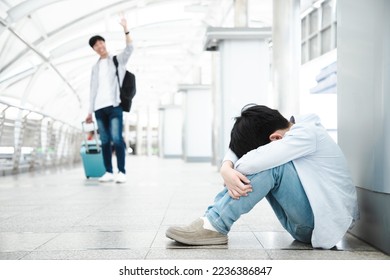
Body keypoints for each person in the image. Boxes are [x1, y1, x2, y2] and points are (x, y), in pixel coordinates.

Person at [166, 104, 359, 249]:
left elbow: (251, 163)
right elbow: (236, 152)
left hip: (322, 224)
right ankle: (212, 220)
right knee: (266, 161)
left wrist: (230, 170)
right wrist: (226, 167)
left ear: (275, 138)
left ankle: (215, 225)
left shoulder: (308, 134)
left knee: (271, 166)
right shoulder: (291, 130)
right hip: (306, 221)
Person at [85, 16, 133, 183]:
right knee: (105, 141)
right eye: (96, 45)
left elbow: (130, 48)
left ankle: (122, 171)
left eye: (101, 42)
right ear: (94, 49)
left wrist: (125, 29)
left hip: (114, 106)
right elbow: (93, 89)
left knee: (117, 139)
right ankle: (108, 171)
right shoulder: (95, 67)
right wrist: (90, 111)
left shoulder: (116, 60)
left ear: (104, 43)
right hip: (99, 108)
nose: (99, 46)